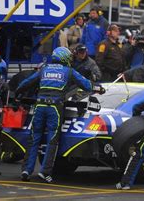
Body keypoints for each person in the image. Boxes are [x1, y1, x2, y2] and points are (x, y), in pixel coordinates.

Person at [16, 47, 101, 183]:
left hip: (39, 106)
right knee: (52, 141)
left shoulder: (44, 69)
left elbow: (26, 83)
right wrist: (99, 88)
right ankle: (45, 172)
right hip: (55, 108)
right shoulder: (69, 71)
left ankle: (26, 170)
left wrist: (17, 92)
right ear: (65, 58)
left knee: (34, 139)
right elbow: (87, 85)